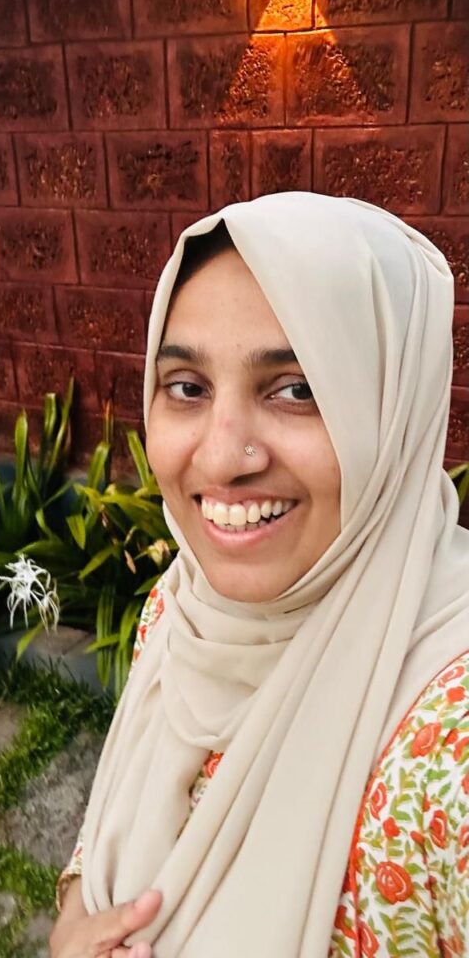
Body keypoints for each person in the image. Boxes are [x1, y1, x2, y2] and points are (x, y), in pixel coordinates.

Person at [50, 192, 469, 958]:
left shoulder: (445, 750)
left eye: (298, 389)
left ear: (395, 409)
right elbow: (118, 804)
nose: (220, 457)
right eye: (188, 387)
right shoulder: (182, 606)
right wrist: (77, 916)